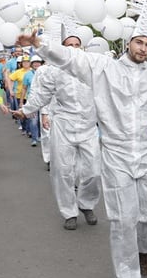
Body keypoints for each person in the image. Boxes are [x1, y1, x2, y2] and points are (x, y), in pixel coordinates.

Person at [17, 0, 147, 278]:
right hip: (115, 155)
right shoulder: (103, 67)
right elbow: (70, 58)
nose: (142, 48)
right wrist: (40, 44)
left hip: (146, 152)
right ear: (128, 43)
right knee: (123, 219)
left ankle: (144, 248)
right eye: (138, 42)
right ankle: (127, 276)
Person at [15, 28, 101, 231]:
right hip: (63, 124)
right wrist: (26, 110)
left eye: (77, 45)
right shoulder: (52, 70)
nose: (74, 49)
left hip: (88, 126)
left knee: (94, 171)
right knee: (63, 171)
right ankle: (69, 212)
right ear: (62, 49)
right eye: (69, 46)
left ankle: (86, 204)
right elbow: (42, 95)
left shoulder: (93, 68)